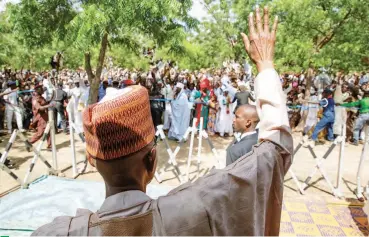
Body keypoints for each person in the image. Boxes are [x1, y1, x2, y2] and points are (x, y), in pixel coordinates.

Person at [32, 7, 293, 236]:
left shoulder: (58, 233)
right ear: (152, 160)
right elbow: (274, 152)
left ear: (93, 161)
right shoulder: (197, 209)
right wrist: (265, 64)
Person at [26, 85, 54, 151]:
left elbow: (45, 103)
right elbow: (40, 108)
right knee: (40, 133)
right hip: (40, 118)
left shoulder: (41, 97)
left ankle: (50, 146)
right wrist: (49, 105)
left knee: (49, 131)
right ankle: (29, 142)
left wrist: (51, 98)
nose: (42, 90)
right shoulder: (35, 99)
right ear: (37, 90)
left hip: (45, 116)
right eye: (41, 89)